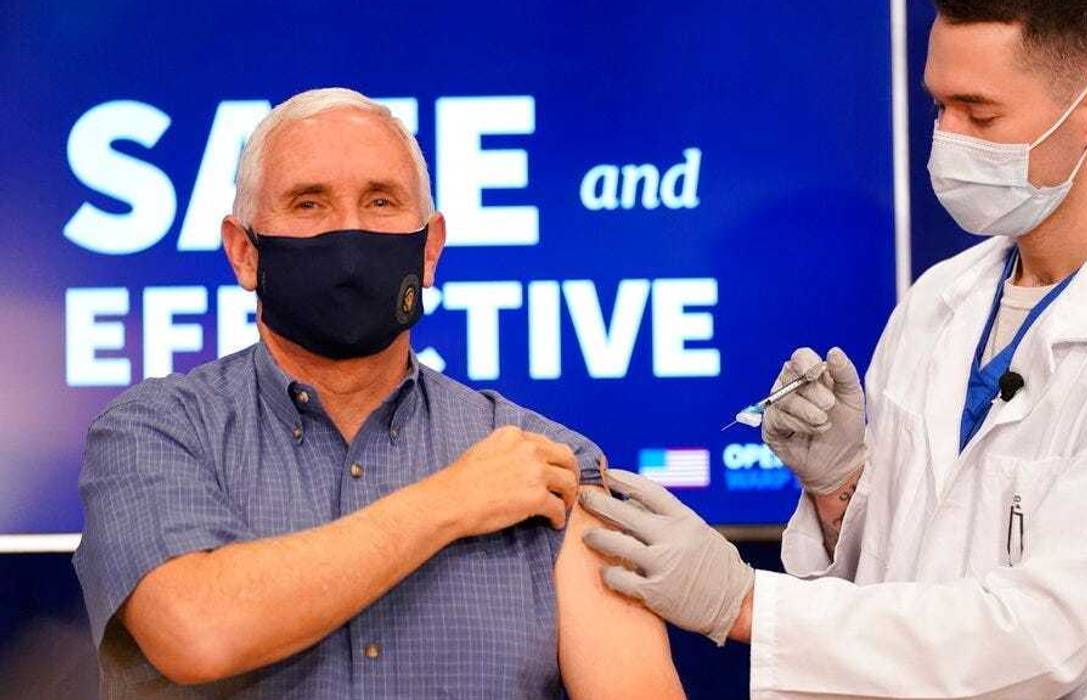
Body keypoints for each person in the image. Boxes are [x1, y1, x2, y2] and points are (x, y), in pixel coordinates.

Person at [579, 1, 1087, 697]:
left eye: (978, 114)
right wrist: (840, 492)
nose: (948, 140)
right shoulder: (942, 298)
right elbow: (906, 579)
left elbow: (1042, 638)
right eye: (938, 108)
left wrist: (745, 603)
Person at [72, 88, 684, 699]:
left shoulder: (548, 463)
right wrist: (450, 501)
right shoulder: (154, 432)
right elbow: (196, 631)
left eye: (381, 200)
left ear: (430, 248)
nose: (350, 235)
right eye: (308, 203)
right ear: (243, 253)